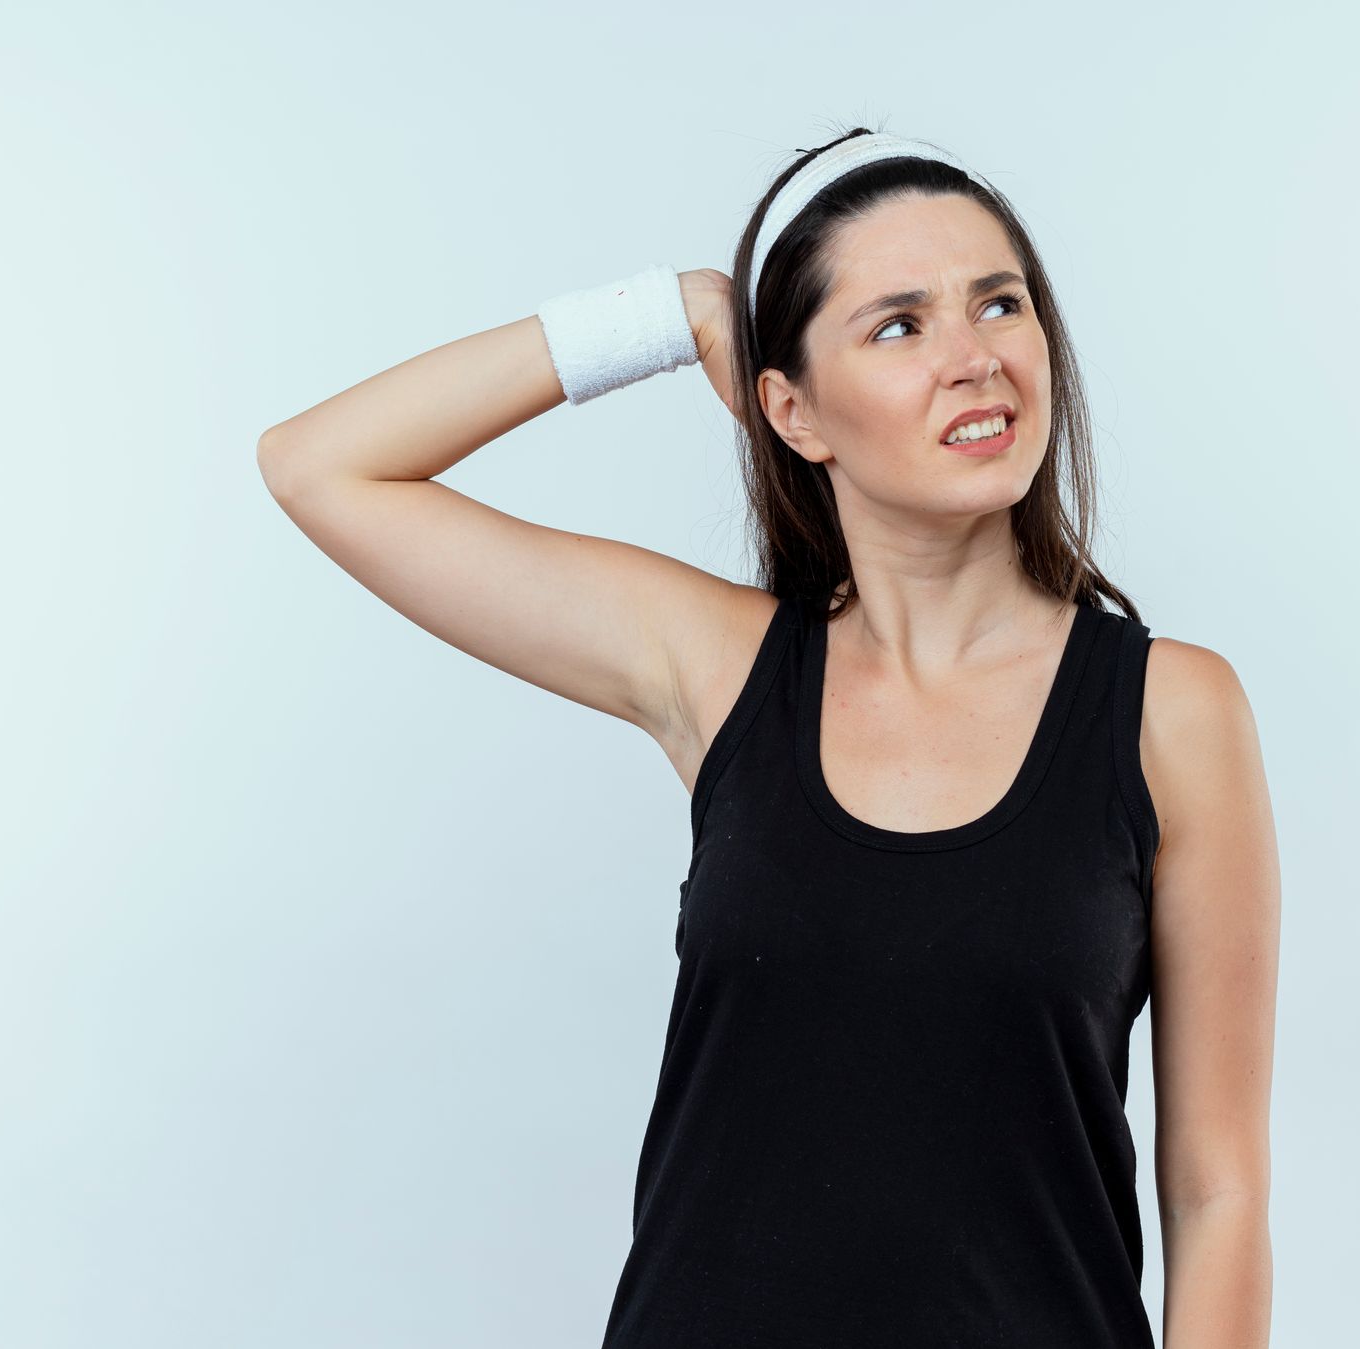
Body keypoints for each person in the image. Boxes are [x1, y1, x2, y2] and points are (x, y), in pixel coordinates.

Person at [258, 125, 1280, 1348]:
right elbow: (323, 467)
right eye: (899, 325)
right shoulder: (720, 667)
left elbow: (1216, 1190)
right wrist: (670, 314)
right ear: (791, 410)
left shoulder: (1171, 711)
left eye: (998, 304)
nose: (975, 358)